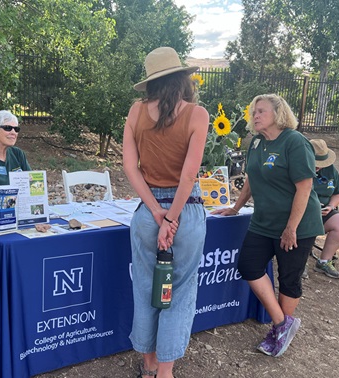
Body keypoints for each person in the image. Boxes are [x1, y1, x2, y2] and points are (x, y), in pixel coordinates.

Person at [212, 94, 324, 357]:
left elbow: (305, 187)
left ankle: (278, 333)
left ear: (278, 113)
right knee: (248, 265)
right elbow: (251, 177)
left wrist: (291, 228)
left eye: (261, 111)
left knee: (288, 279)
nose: (255, 116)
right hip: (263, 222)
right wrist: (236, 207)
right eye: (253, 112)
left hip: (297, 225)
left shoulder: (294, 142)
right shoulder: (257, 143)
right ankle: (283, 324)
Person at [123, 47, 209, 378]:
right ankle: (166, 372)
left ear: (151, 82)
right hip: (185, 211)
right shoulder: (197, 115)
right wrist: (171, 217)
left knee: (145, 287)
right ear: (183, 78)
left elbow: (131, 167)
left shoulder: (136, 112)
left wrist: (156, 211)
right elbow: (189, 175)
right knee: (180, 292)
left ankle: (148, 365)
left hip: (148, 212)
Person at [310, 139, 339, 279]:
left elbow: (338, 192)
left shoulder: (330, 169)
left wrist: (331, 206)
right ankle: (297, 264)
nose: (318, 166)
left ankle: (324, 261)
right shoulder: (296, 167)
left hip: (323, 211)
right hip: (300, 213)